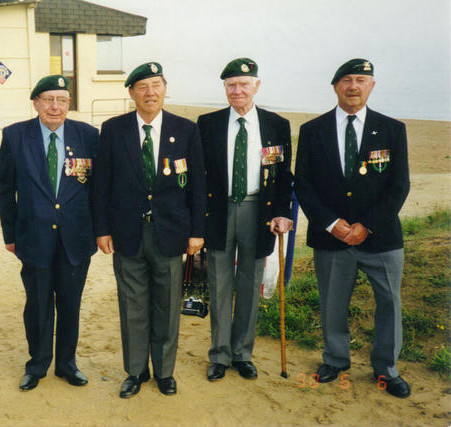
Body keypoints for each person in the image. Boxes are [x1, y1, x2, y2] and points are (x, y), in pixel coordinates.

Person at [295, 58, 410, 398]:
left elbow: (398, 186)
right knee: (332, 302)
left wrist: (367, 226)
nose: (353, 86)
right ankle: (335, 359)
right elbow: (304, 185)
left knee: (390, 302)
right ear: (335, 87)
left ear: (371, 86)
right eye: (346, 80)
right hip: (332, 238)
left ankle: (386, 369)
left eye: (361, 79)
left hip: (382, 238)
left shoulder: (392, 129)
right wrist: (331, 223)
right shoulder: (313, 131)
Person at [92, 62, 206, 398]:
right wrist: (102, 229)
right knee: (133, 306)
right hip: (127, 234)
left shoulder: (185, 130)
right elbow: (102, 185)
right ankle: (136, 371)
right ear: (131, 93)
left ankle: (165, 372)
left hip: (171, 234)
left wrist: (197, 232)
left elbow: (198, 185)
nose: (150, 92)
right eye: (142, 86)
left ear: (165, 89)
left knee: (168, 306)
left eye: (156, 85)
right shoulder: (113, 129)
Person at [0, 75, 98, 392]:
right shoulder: (15, 136)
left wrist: (98, 232)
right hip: (33, 237)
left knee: (70, 304)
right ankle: (37, 364)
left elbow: (99, 190)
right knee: (38, 305)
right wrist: (10, 234)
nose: (55, 106)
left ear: (69, 103)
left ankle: (67, 365)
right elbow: (6, 190)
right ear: (36, 103)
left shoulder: (89, 135)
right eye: (48, 99)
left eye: (62, 100)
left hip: (76, 238)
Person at [197, 58, 294, 382]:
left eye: (243, 84)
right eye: (230, 85)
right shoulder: (206, 124)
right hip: (219, 210)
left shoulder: (277, 125)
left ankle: (242, 353)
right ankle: (220, 355)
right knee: (220, 284)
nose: (237, 90)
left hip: (257, 211)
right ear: (224, 88)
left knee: (251, 283)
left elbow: (283, 177)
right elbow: (200, 178)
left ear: (256, 86)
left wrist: (281, 213)